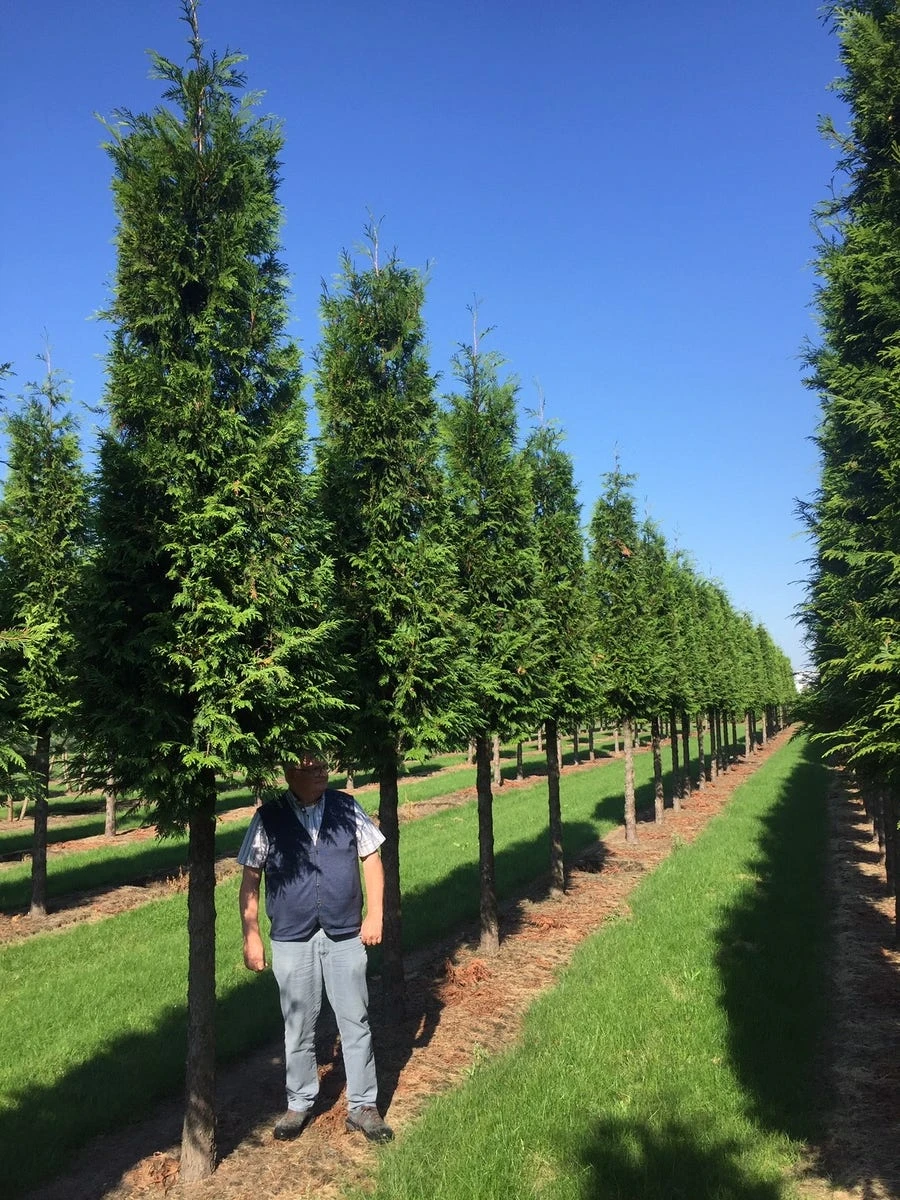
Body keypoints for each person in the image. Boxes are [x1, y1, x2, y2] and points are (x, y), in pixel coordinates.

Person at [238, 754, 393, 1143]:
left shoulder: (346, 807)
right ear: (291, 773)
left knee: (355, 1021)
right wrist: (251, 934)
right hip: (291, 938)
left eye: (325, 767)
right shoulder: (268, 817)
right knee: (297, 1025)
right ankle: (299, 1102)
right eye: (313, 769)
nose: (323, 773)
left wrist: (375, 914)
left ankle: (363, 1106)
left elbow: (371, 859)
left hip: (345, 934)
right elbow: (250, 878)